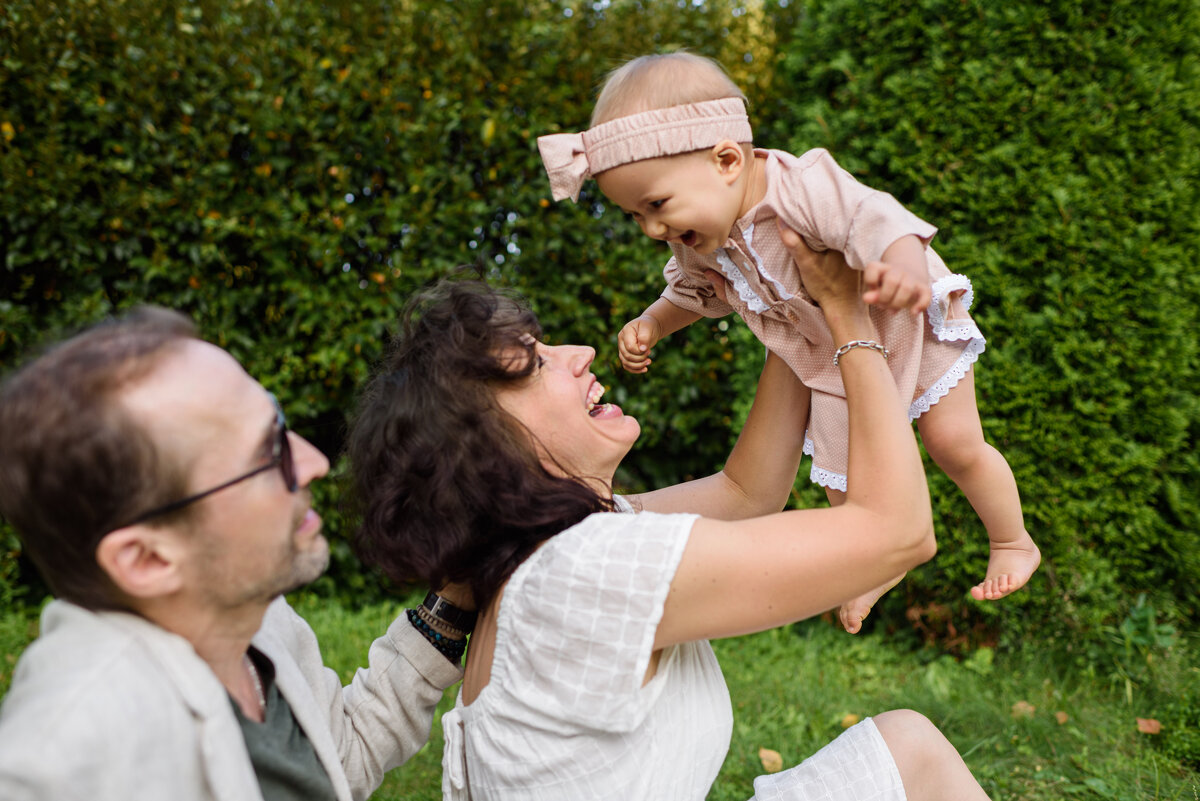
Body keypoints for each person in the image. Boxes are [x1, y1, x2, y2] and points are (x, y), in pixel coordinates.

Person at [346, 234, 991, 799]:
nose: (582, 353)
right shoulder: (581, 572)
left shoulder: (555, 552)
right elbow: (898, 531)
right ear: (484, 450)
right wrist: (849, 322)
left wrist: (789, 300)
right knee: (912, 751)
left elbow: (746, 493)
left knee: (907, 747)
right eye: (537, 365)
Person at [536, 51, 1039, 627]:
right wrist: (653, 322)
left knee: (955, 443)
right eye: (634, 216)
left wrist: (898, 264)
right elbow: (694, 294)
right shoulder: (703, 239)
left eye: (656, 205)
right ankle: (873, 559)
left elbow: (876, 218)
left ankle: (1012, 541)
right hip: (831, 355)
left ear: (727, 159)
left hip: (902, 318)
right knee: (842, 477)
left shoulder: (800, 187)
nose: (652, 229)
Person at [0, 307, 474, 801]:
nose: (312, 462)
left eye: (280, 423)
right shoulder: (64, 758)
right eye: (267, 455)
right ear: (147, 560)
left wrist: (451, 605)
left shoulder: (249, 616)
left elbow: (340, 758)